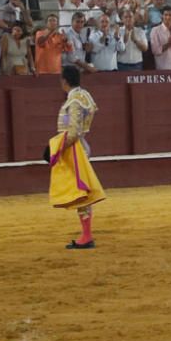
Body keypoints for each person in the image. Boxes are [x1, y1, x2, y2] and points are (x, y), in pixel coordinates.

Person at [49, 65, 106, 250]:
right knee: (81, 192)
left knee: (81, 193)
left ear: (64, 81)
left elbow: (73, 131)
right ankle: (86, 234)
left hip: (74, 148)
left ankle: (87, 236)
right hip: (81, 145)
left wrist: (58, 148)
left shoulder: (73, 100)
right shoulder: (84, 95)